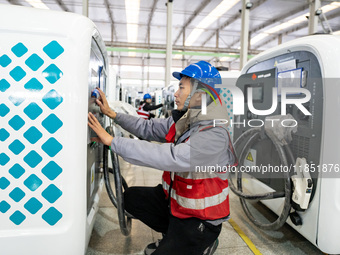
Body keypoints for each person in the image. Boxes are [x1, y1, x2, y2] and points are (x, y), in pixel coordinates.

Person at [88, 61, 237, 255]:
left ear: (200, 94)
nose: (176, 93)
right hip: (178, 205)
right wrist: (113, 115)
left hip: (200, 220)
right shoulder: (187, 120)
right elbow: (147, 128)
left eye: (181, 87)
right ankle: (173, 235)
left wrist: (113, 142)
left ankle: (201, 244)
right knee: (131, 198)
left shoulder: (214, 134)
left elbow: (171, 157)